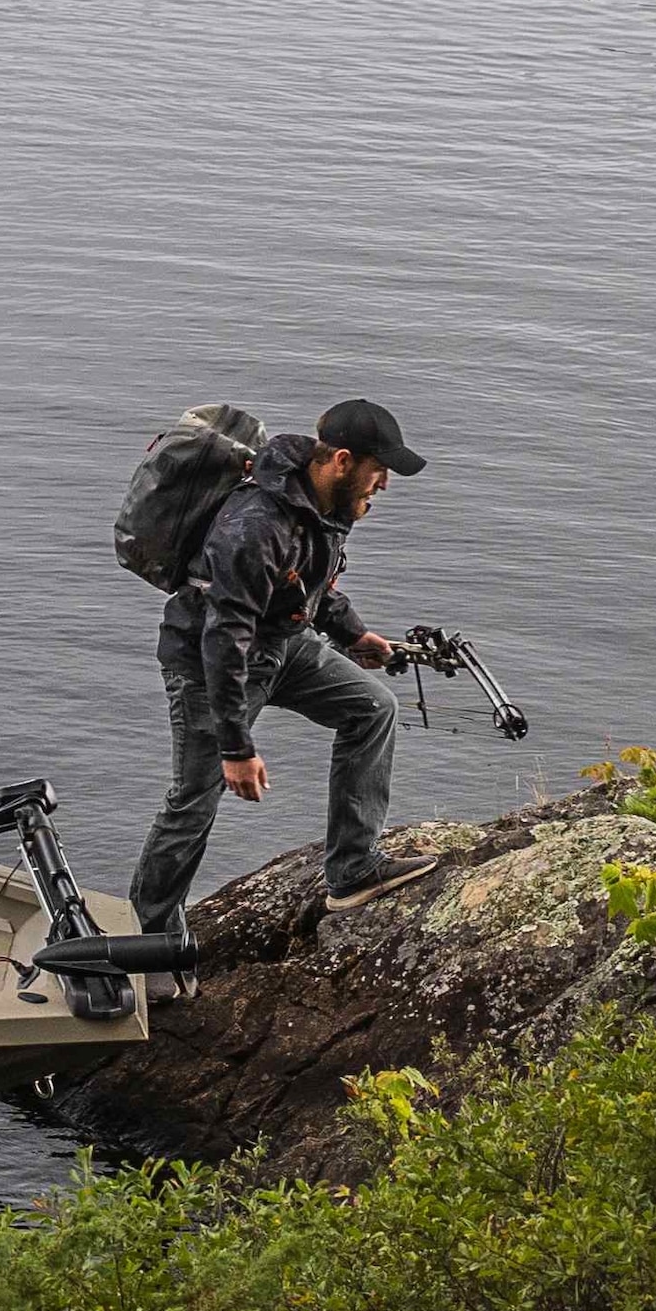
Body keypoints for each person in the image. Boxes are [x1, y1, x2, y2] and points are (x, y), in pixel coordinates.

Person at [132, 397, 445, 939]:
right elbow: (224, 638)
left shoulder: (324, 502)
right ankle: (147, 936)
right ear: (343, 461)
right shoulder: (254, 526)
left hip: (280, 645)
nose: (385, 485)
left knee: (373, 709)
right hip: (212, 665)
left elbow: (310, 581)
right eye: (380, 471)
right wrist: (236, 748)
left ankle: (353, 870)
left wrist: (353, 633)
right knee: (194, 800)